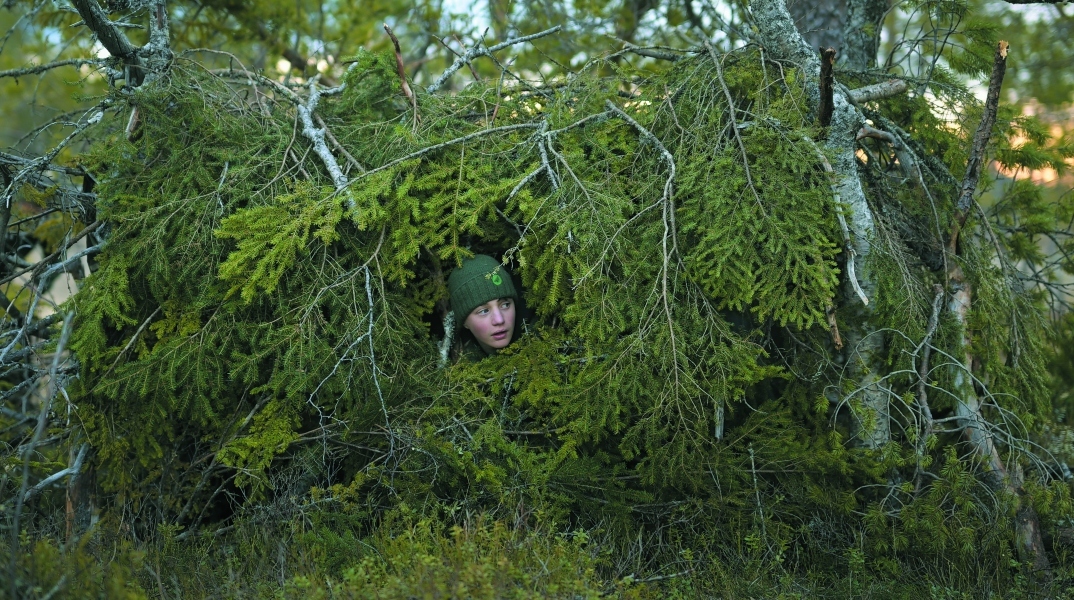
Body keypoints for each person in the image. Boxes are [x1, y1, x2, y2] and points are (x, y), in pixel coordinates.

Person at [447, 254, 519, 358]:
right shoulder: (458, 365)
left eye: (505, 305)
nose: (499, 320)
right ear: (464, 322)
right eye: (484, 311)